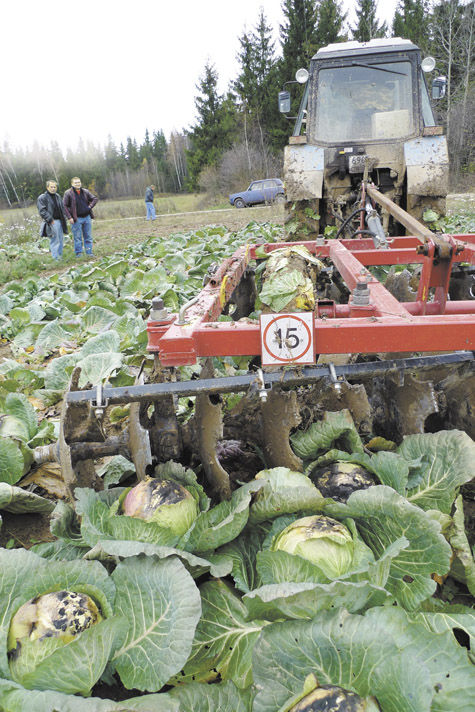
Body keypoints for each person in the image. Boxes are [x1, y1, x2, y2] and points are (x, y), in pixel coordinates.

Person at [63, 177, 98, 256]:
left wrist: (89, 207)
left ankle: (89, 253)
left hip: (87, 217)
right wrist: (69, 217)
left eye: (78, 182)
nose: (77, 184)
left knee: (88, 237)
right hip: (76, 219)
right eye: (75, 183)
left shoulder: (85, 191)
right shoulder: (68, 193)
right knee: (77, 237)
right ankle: (79, 254)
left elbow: (94, 199)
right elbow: (64, 206)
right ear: (72, 184)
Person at [37, 180, 68, 260]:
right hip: (52, 222)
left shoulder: (57, 196)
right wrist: (50, 220)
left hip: (60, 221)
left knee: (61, 240)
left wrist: (65, 217)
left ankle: (60, 257)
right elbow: (42, 211)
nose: (53, 188)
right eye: (51, 187)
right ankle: (56, 259)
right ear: (47, 187)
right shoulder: (42, 197)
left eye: (55, 187)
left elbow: (62, 208)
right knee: (55, 240)